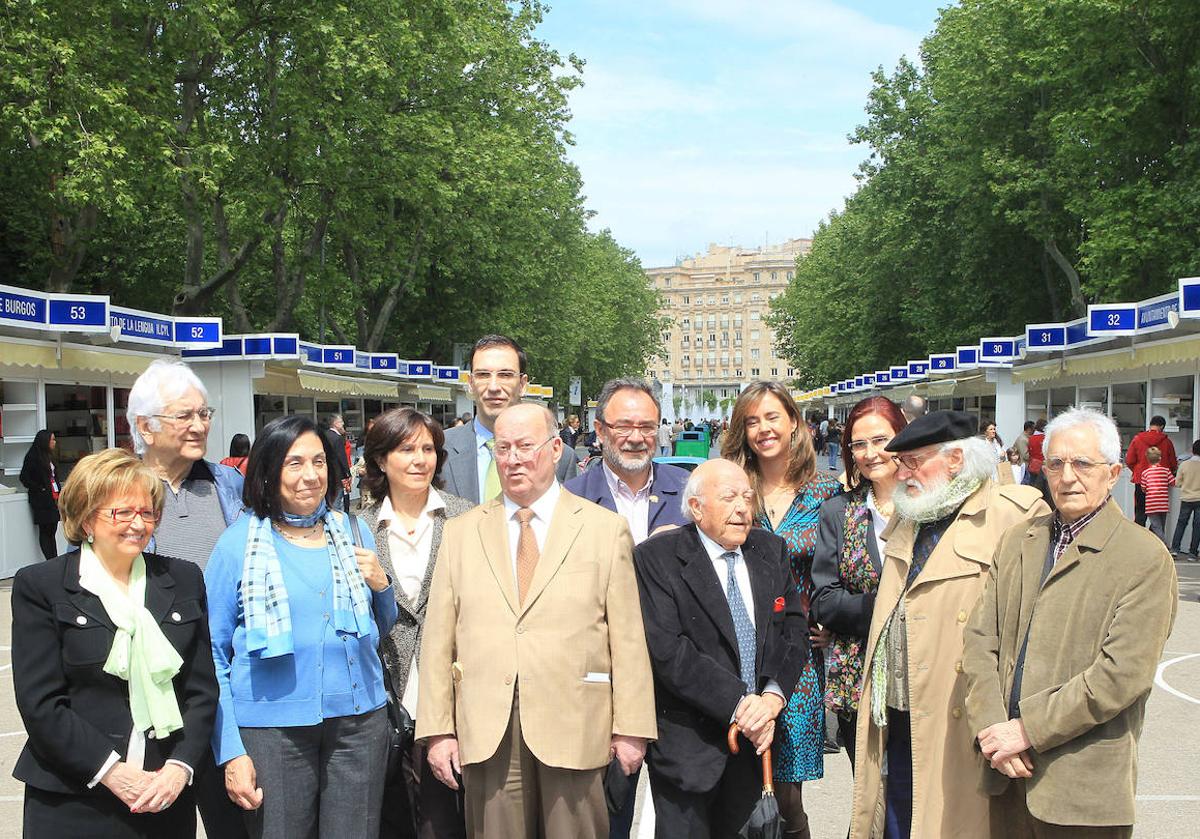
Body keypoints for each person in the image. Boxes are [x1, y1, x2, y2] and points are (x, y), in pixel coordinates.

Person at [416, 403, 656, 839]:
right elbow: (438, 641)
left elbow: (628, 639)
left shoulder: (605, 529)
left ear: (555, 448)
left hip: (577, 727)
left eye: (526, 446)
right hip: (487, 732)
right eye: (503, 448)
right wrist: (437, 731)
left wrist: (632, 729)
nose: (513, 458)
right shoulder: (460, 532)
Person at [964, 408, 1178, 838]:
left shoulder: (1144, 557)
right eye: (1056, 463)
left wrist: (1026, 729)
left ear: (1114, 472)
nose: (1067, 477)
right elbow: (980, 639)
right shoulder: (1020, 540)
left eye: (1083, 463)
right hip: (1007, 775)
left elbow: (1121, 675)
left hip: (1082, 793)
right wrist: (992, 730)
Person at [849, 410, 1048, 839]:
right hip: (901, 713)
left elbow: (1035, 630)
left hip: (968, 717)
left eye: (913, 461)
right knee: (900, 821)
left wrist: (1019, 721)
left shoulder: (1014, 514)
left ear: (955, 459)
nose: (902, 473)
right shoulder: (914, 510)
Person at [205, 415, 398, 838]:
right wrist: (231, 750)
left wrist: (382, 586)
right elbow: (213, 655)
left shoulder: (353, 531)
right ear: (268, 471)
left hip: (359, 724)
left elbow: (380, 629)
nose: (310, 475)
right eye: (294, 464)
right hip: (272, 732)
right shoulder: (237, 544)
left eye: (318, 461)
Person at [12, 448, 217, 837]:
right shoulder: (41, 585)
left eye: (147, 512)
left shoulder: (183, 579)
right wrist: (110, 771)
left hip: (163, 794)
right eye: (122, 512)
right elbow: (41, 704)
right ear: (87, 518)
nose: (138, 524)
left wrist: (180, 768)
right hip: (74, 796)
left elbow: (201, 691)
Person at [633, 459, 808, 838]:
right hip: (689, 752)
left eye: (748, 496)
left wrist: (771, 700)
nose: (742, 507)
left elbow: (793, 631)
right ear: (696, 507)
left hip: (756, 742)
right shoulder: (657, 558)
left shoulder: (771, 551)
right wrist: (741, 704)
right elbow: (668, 650)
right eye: (729, 498)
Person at [564, 379, 691, 839]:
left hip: (679, 687)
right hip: (603, 686)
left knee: (683, 819)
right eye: (624, 426)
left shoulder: (690, 494)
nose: (636, 436)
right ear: (599, 430)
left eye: (647, 426)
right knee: (605, 818)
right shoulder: (569, 499)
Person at [127, 357, 248, 837]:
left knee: (235, 817)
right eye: (185, 416)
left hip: (225, 679)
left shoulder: (227, 485)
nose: (200, 425)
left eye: (205, 413)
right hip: (154, 685)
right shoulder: (119, 493)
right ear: (146, 426)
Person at [722, 381, 842, 839]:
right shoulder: (733, 484)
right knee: (738, 783)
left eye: (772, 417)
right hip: (735, 649)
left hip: (798, 660)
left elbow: (844, 566)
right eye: (751, 421)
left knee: (786, 794)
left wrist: (830, 621)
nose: (762, 429)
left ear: (794, 421)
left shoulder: (827, 492)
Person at [359, 409, 473, 839]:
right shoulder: (356, 526)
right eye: (406, 449)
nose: (419, 459)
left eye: (428, 449)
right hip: (382, 703)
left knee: (444, 824)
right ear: (381, 460)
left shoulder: (467, 519)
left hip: (450, 702)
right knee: (389, 822)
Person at [811, 396, 907, 773]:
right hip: (859, 679)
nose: (870, 453)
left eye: (881, 440)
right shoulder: (839, 511)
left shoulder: (933, 509)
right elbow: (825, 598)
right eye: (859, 444)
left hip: (924, 674)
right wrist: (885, 607)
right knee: (871, 794)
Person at [438, 335, 578, 504]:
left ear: (522, 384)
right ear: (470, 382)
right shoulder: (438, 450)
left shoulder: (559, 456)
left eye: (505, 375)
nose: (494, 387)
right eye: (483, 375)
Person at [1125, 415, 1178, 527]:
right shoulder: (1167, 442)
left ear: (1150, 425)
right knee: (1158, 515)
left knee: (1140, 512)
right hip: (1160, 482)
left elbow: (1129, 460)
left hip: (1141, 480)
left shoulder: (1137, 439)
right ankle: (1154, 538)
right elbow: (1173, 463)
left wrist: (1136, 471)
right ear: (1162, 426)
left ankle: (1139, 539)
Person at [19, 429, 60, 559]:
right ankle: (50, 559)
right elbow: (24, 477)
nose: (54, 442)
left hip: (53, 497)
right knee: (45, 530)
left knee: (52, 529)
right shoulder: (33, 457)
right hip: (41, 500)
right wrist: (39, 488)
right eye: (52, 440)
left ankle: (54, 557)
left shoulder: (49, 456)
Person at [1138, 446, 1175, 546]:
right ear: (1160, 458)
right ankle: (1161, 545)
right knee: (1161, 526)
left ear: (1147, 459)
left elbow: (1143, 488)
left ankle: (1164, 546)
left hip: (1151, 504)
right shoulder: (1166, 471)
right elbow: (1173, 483)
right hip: (1163, 503)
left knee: (1156, 527)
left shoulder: (1145, 473)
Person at [1170, 439, 1200, 560]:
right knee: (1197, 525)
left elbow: (1177, 483)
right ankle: (1192, 553)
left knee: (1181, 523)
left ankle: (1175, 549)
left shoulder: (1184, 464)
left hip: (1186, 498)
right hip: (1199, 499)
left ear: (1192, 451)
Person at [322, 414, 354, 512]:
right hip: (338, 474)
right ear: (335, 424)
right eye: (341, 422)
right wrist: (347, 473)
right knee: (338, 500)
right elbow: (342, 458)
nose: (343, 424)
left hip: (327, 473)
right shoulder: (337, 438)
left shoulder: (324, 435)